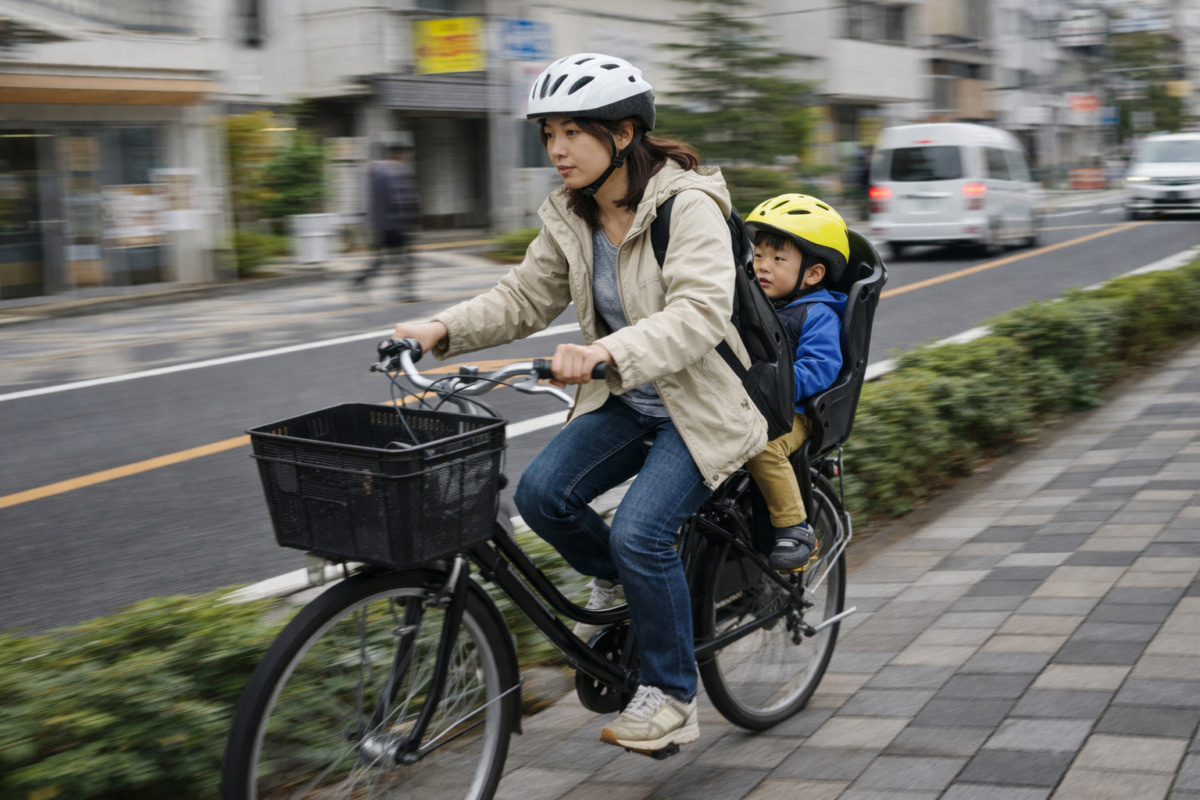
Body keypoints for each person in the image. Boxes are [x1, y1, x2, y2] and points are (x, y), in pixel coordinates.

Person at [392, 53, 766, 754]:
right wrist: (442, 329)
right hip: (628, 397)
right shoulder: (572, 215)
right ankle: (629, 590)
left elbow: (700, 312)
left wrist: (605, 352)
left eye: (572, 131)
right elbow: (524, 297)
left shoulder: (688, 206)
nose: (556, 149)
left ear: (623, 134)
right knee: (542, 496)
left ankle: (673, 695)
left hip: (701, 407)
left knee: (638, 534)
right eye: (548, 133)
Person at [742, 193, 849, 572]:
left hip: (795, 414)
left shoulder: (817, 314)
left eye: (778, 258)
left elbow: (820, 368)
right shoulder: (757, 307)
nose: (763, 266)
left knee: (761, 447)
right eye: (758, 256)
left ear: (813, 273)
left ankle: (795, 528)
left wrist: (774, 386)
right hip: (750, 406)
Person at [355, 137, 420, 300]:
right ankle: (406, 292)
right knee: (407, 261)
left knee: (380, 260)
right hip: (396, 225)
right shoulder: (397, 172)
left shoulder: (375, 171)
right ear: (401, 155)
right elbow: (401, 200)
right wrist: (413, 220)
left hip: (379, 225)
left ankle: (360, 282)